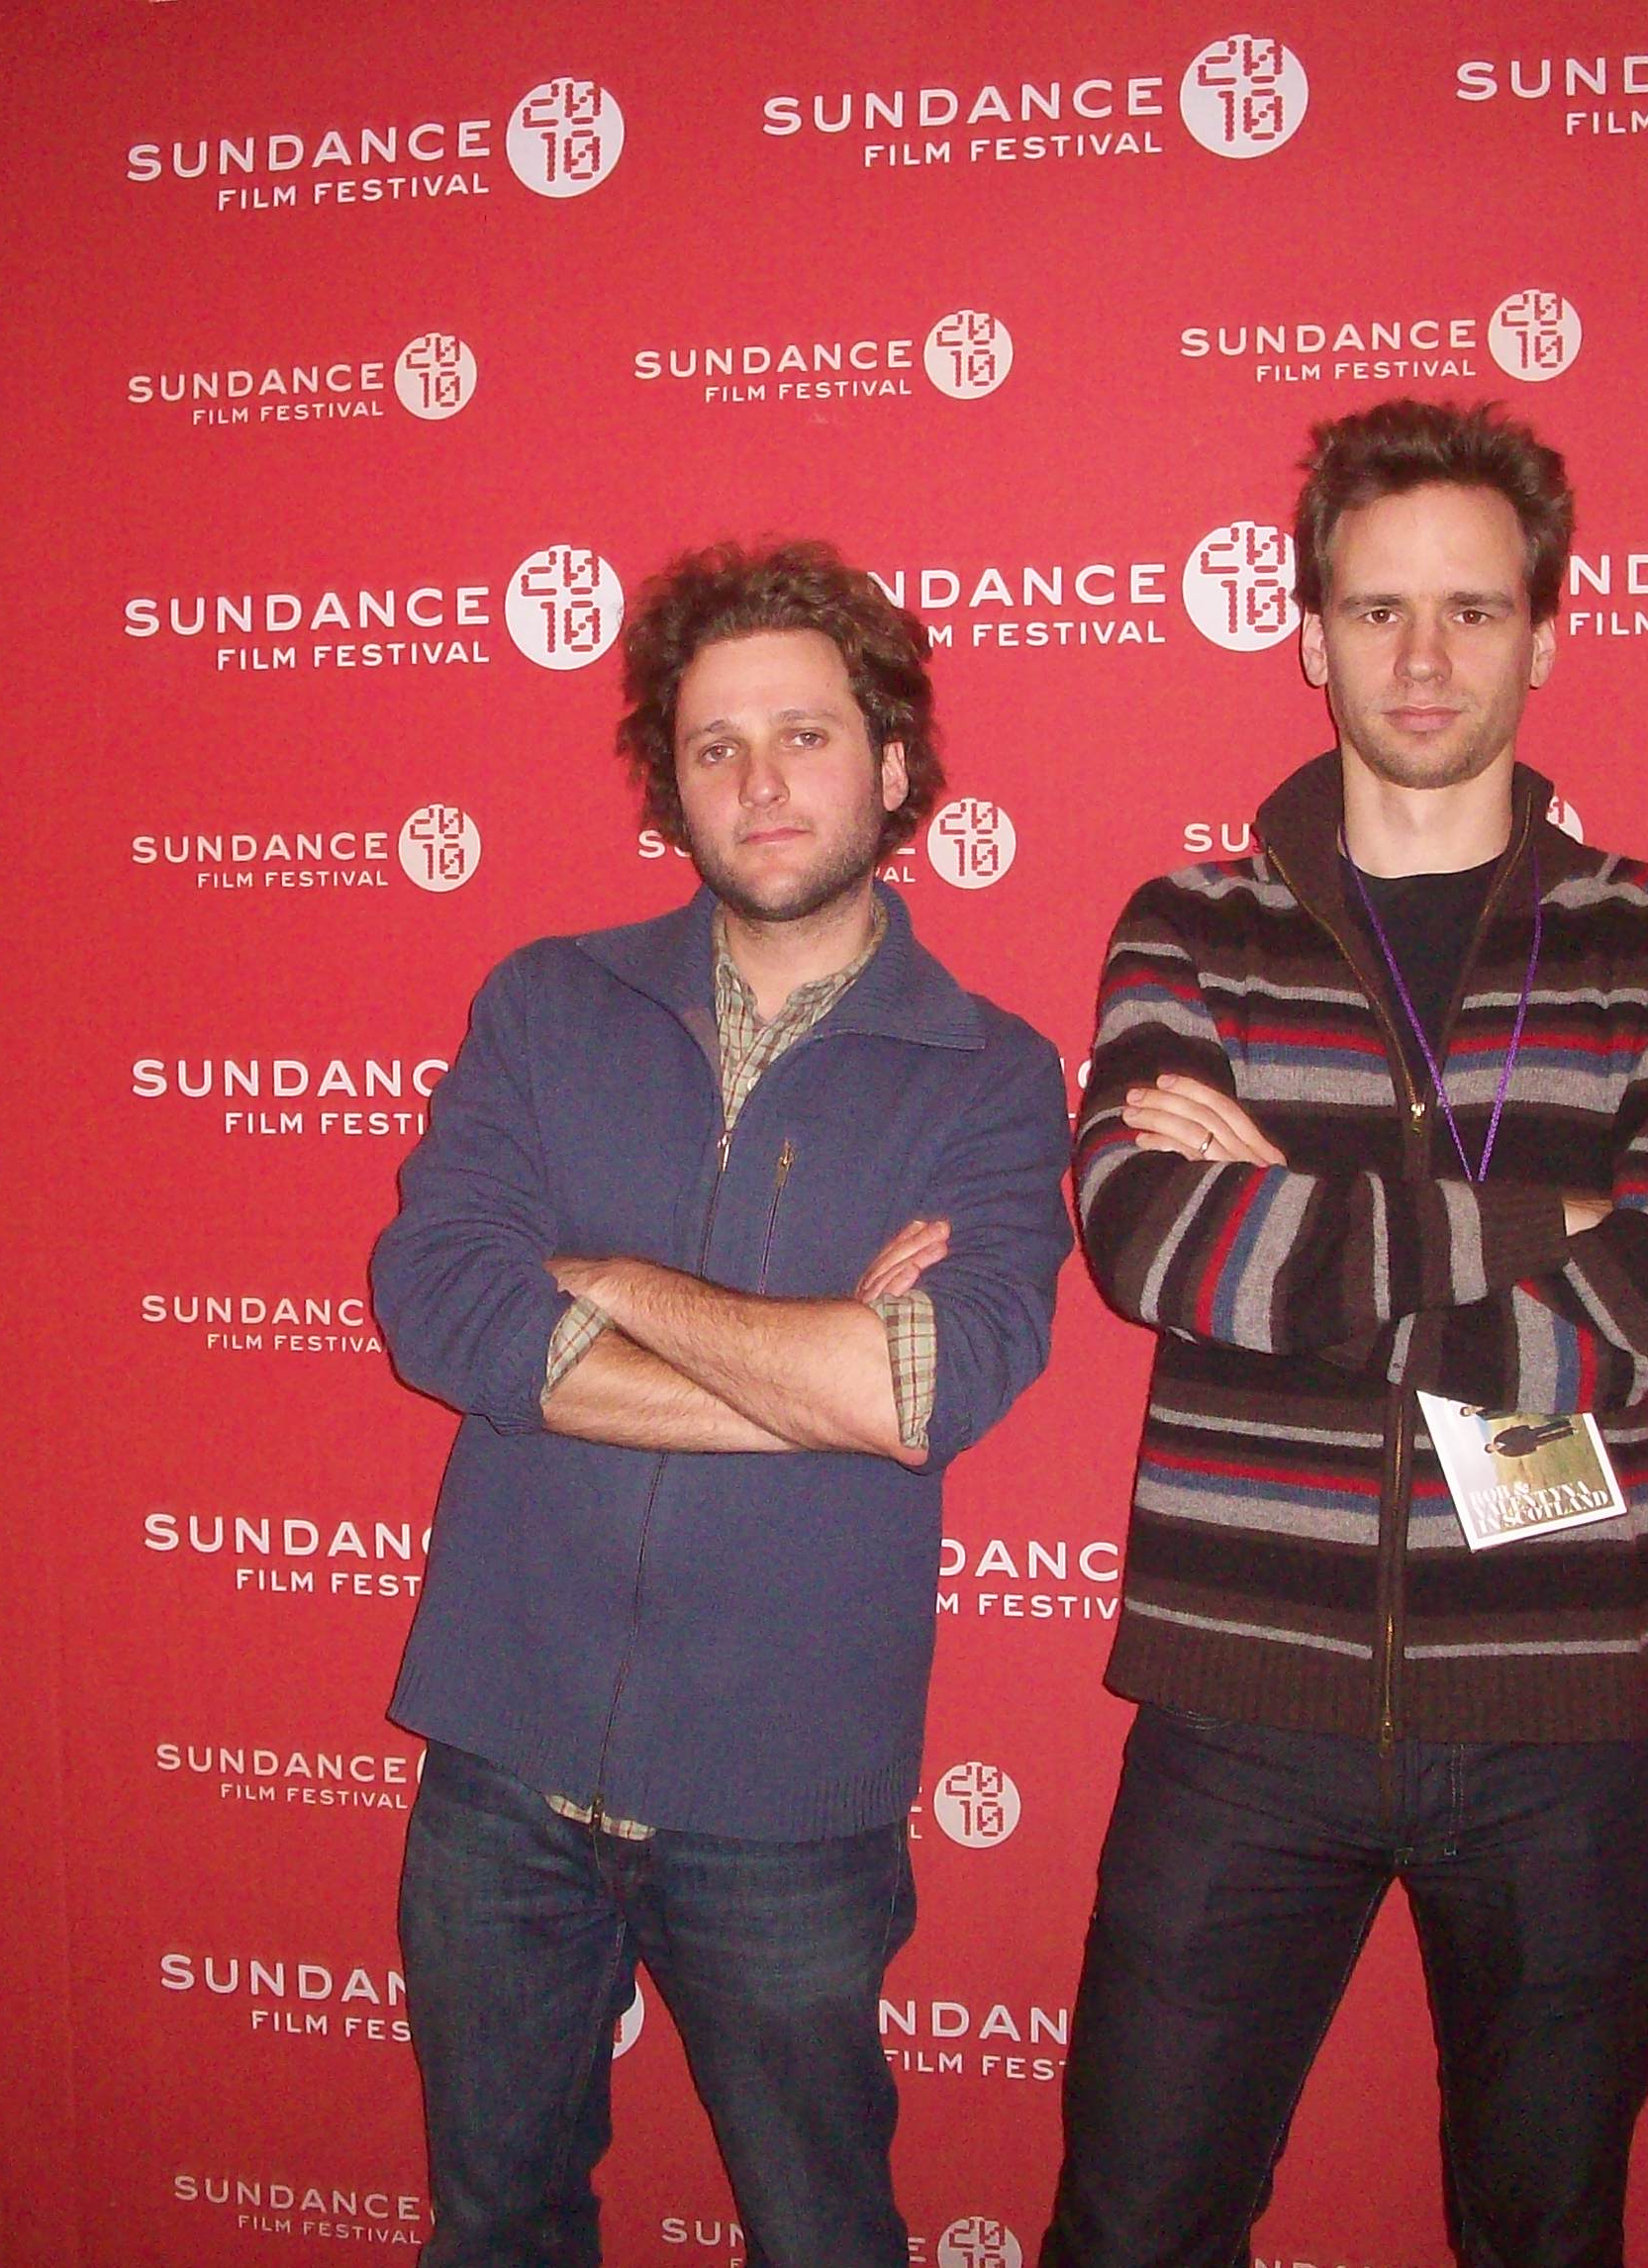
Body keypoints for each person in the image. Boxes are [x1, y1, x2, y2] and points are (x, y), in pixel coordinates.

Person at [1041, 401, 1648, 2268]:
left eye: (1471, 609)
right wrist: (1550, 1226)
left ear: (1548, 629)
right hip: (1238, 1706)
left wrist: (1303, 1213)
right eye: (1376, 611)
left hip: (1571, 1722)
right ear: (1307, 638)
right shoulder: (1186, 927)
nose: (1424, 657)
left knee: (1547, 2236)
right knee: (1131, 2230)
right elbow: (1153, 1247)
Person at [372, 539, 1072, 2268]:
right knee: (495, 2226)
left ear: (893, 766)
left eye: (808, 736)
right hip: (500, 1759)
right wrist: (814, 1368)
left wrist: (612, 1282)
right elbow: (447, 1312)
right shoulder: (548, 1003)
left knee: (826, 2234)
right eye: (715, 746)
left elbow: (930, 1383)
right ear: (670, 786)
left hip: (788, 1797)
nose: (762, 782)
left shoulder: (992, 1072)